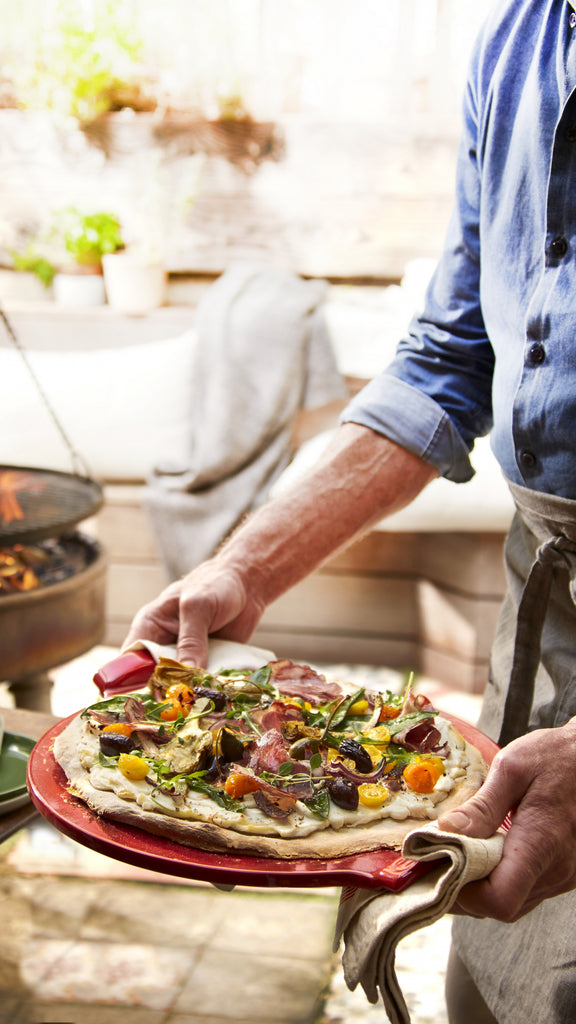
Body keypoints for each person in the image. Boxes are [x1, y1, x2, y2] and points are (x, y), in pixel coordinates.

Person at [125, 1, 576, 1020]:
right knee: (488, 979)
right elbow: (448, 360)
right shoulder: (516, 40)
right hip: (543, 623)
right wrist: (246, 566)